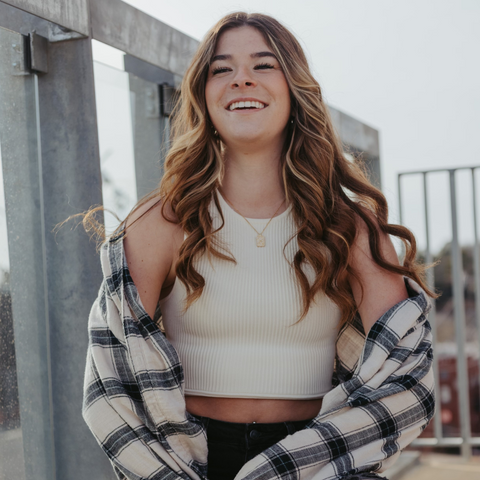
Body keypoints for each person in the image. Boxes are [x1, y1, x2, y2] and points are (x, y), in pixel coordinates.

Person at [82, 11, 438, 480]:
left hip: (319, 460)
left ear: (294, 88)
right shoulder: (161, 223)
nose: (241, 80)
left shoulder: (348, 226)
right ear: (202, 94)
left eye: (263, 65)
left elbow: (406, 368)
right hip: (189, 461)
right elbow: (112, 382)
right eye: (221, 69)